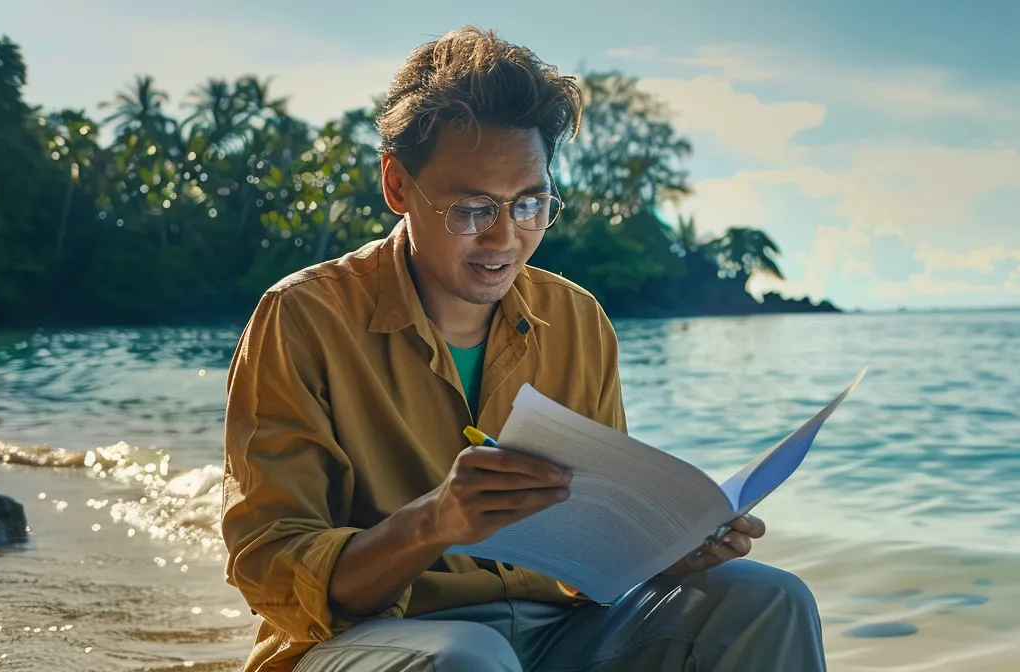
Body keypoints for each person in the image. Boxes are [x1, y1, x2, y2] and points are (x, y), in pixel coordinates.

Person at [218, 25, 827, 672]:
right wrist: (433, 524)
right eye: (473, 208)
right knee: (470, 658)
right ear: (397, 187)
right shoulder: (303, 317)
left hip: (554, 632)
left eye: (530, 204)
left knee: (769, 600)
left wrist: (663, 547)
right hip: (369, 641)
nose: (506, 238)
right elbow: (272, 574)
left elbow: (586, 568)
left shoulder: (578, 322)